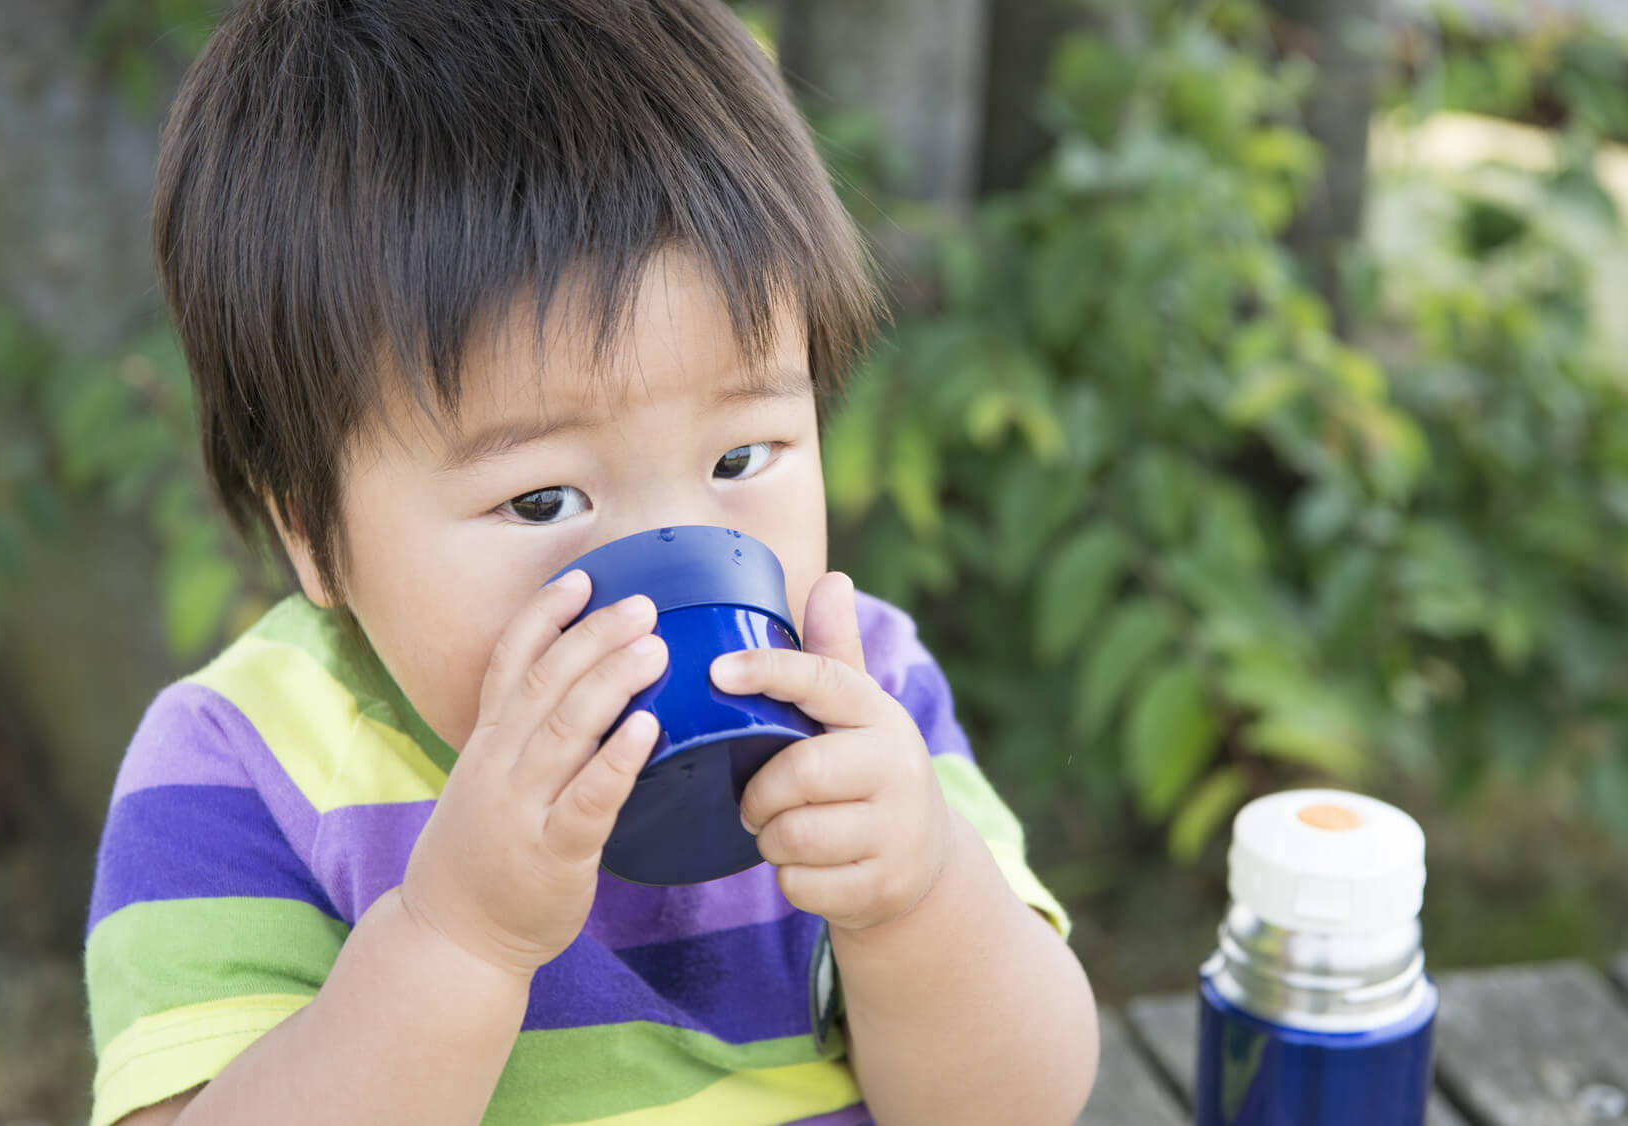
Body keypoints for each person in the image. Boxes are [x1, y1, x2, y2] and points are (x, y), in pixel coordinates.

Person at [82, 1, 1100, 1123]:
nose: (666, 560)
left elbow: (1021, 1104)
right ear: (310, 532)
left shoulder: (865, 699)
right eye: (542, 498)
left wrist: (919, 899)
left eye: (741, 453)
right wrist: (459, 937)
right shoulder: (242, 767)